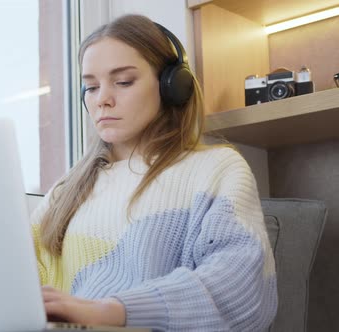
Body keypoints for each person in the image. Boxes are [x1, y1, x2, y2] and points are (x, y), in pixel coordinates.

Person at [30, 14, 278, 331]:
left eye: (123, 82)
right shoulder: (68, 188)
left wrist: (110, 311)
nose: (102, 99)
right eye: (90, 87)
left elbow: (239, 285)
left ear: (172, 86)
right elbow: (19, 277)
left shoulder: (215, 169)